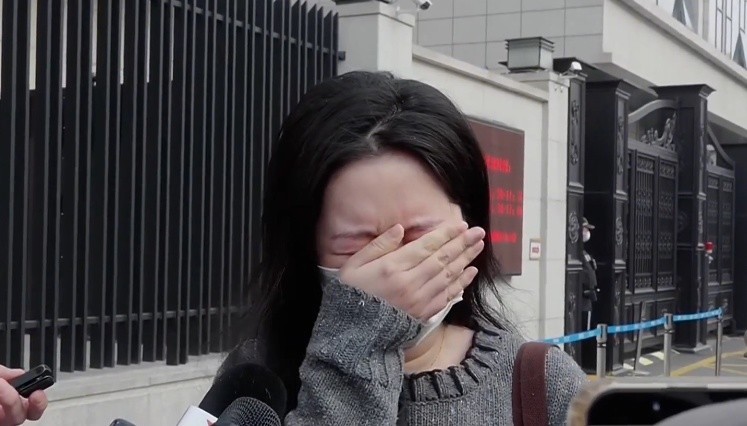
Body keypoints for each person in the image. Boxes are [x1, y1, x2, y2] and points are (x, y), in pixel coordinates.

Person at [220, 71, 587, 424]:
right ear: (306, 246)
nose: (393, 267)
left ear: (470, 225)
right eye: (357, 245)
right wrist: (356, 343)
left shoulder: (544, 385)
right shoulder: (254, 382)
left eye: (421, 236)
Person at [581, 218, 600, 330]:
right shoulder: (577, 252)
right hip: (582, 297)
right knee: (583, 329)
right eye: (585, 229)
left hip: (589, 296)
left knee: (587, 327)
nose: (587, 232)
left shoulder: (585, 252)